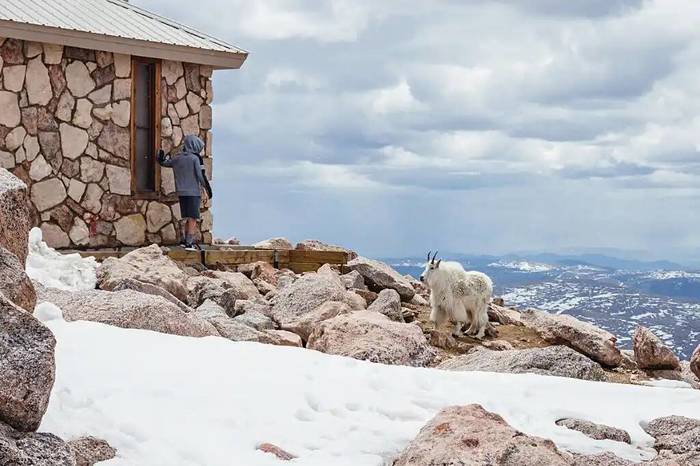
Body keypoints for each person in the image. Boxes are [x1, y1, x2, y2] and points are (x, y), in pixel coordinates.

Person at [157, 135, 212, 250]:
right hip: (193, 193)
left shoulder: (178, 158)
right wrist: (208, 190)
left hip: (181, 192)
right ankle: (189, 243)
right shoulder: (195, 159)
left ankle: (185, 241)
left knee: (187, 217)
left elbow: (165, 163)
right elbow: (200, 175)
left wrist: (160, 157)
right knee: (193, 218)